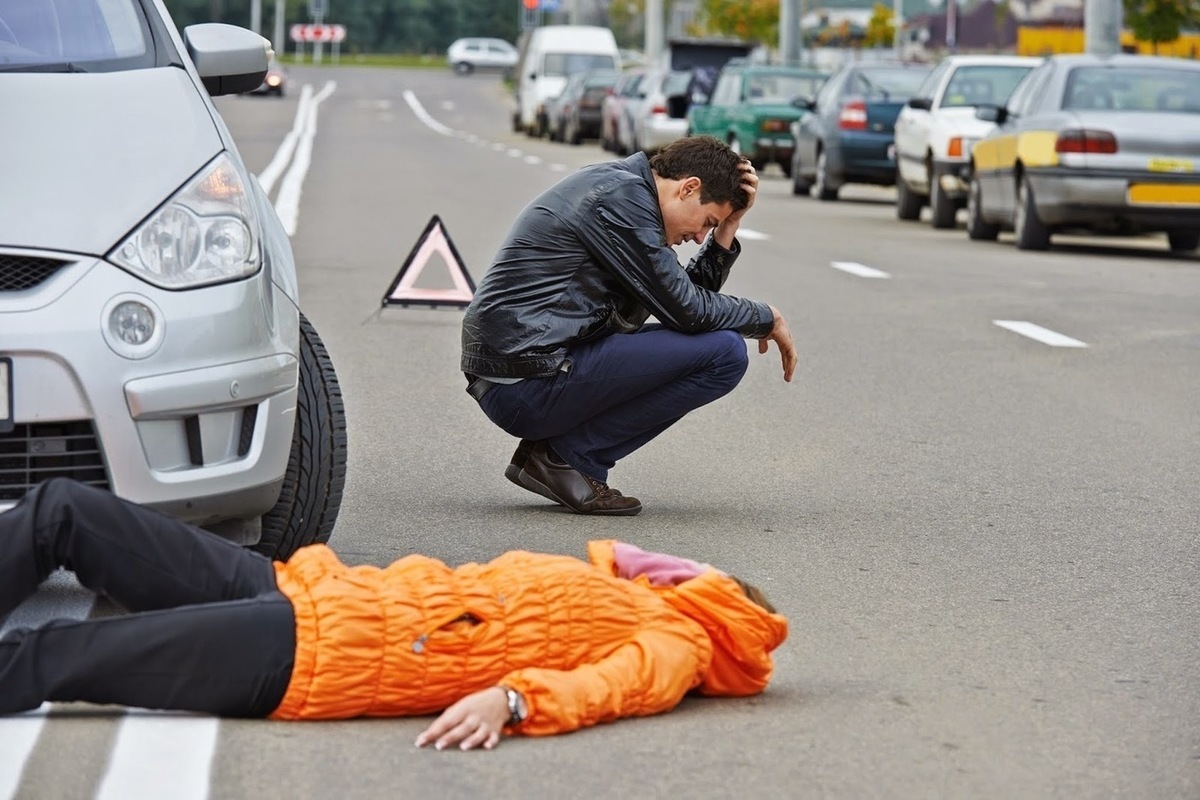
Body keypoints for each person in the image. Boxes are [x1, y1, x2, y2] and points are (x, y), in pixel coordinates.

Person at [0, 479, 788, 750]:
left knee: (55, 653)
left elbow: (611, 689)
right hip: (309, 590)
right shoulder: (643, 594)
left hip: (315, 654)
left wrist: (512, 701)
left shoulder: (679, 640)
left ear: (726, 600)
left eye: (713, 575)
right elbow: (611, 553)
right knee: (62, 511)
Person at [461, 135, 797, 517]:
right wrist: (766, 316)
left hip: (528, 371)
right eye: (707, 222)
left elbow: (684, 311)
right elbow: (688, 311)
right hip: (525, 381)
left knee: (718, 346)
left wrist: (728, 228)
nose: (700, 236)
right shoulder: (621, 201)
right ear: (689, 188)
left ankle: (560, 458)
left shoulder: (629, 194)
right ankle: (567, 458)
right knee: (725, 353)